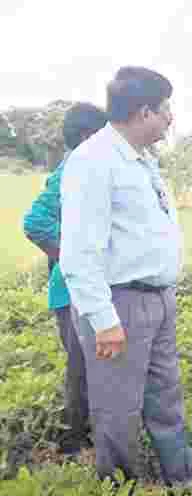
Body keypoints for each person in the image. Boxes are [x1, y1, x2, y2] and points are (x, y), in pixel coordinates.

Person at [59, 67, 192, 485]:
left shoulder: (142, 161)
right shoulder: (93, 161)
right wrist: (103, 320)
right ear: (143, 112)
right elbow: (80, 251)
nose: (170, 118)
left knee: (166, 399)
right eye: (165, 109)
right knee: (118, 408)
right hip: (120, 303)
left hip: (157, 298)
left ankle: (183, 482)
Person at [22, 102, 107, 455]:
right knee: (81, 366)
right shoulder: (73, 167)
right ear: (88, 136)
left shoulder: (87, 167)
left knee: (92, 363)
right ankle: (75, 441)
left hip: (83, 285)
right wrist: (73, 260)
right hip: (72, 288)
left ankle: (93, 433)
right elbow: (36, 222)